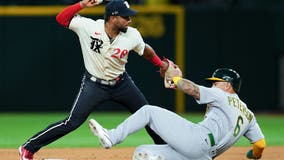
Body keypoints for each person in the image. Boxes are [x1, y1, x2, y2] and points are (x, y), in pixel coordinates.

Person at [18, 0, 170, 159]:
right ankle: (28, 148)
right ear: (113, 18)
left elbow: (145, 50)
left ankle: (166, 153)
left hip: (122, 83)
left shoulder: (132, 34)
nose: (129, 20)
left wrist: (160, 64)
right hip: (94, 85)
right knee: (71, 122)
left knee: (148, 116)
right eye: (126, 16)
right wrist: (82, 4)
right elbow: (61, 19)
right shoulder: (89, 27)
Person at [88, 68, 266, 160]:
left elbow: (193, 89)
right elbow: (260, 144)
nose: (213, 85)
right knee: (142, 153)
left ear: (228, 85)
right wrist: (253, 155)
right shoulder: (249, 115)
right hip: (204, 157)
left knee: (148, 111)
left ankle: (112, 137)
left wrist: (175, 78)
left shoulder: (221, 95)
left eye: (216, 82)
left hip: (198, 140)